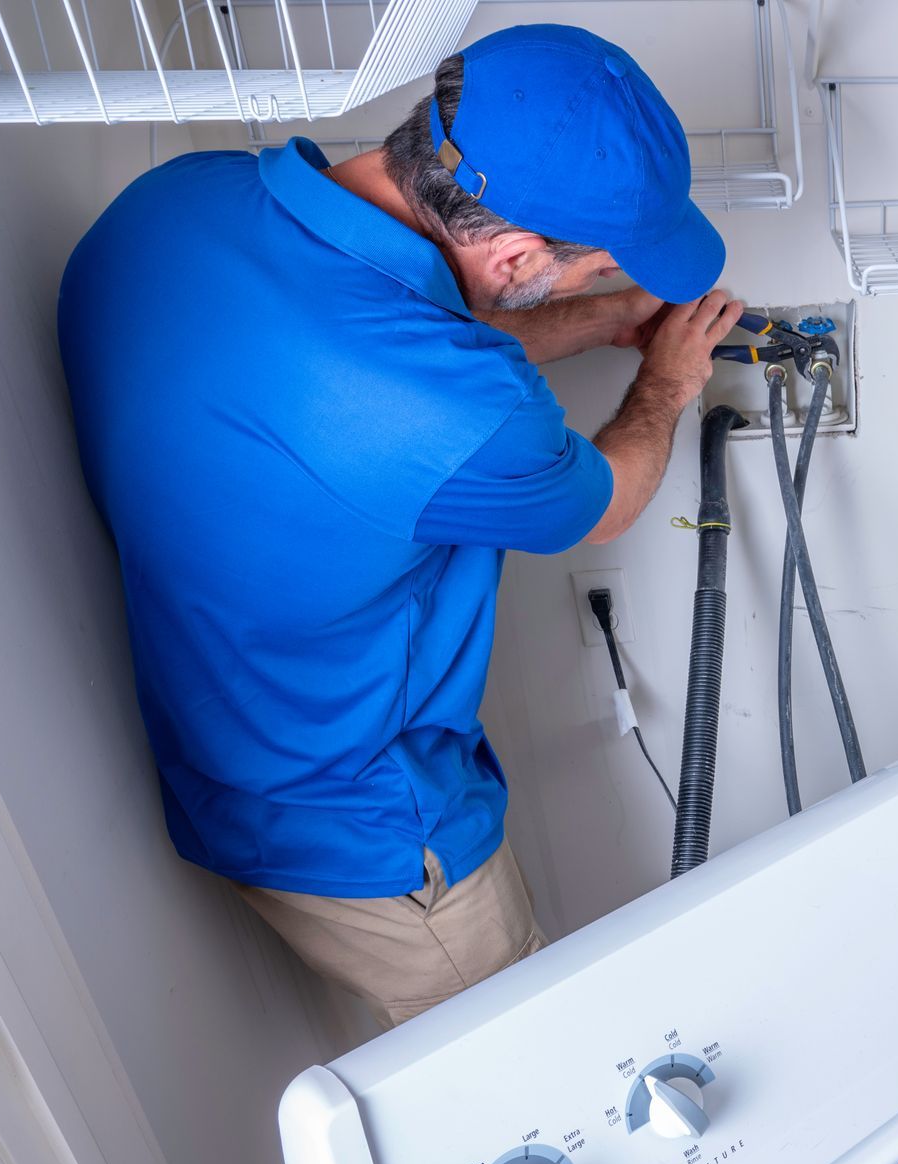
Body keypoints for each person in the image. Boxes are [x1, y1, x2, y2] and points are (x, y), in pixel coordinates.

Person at [57, 25, 742, 1027]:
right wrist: (668, 383)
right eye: (595, 269)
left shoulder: (170, 205)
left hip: (232, 750)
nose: (597, 283)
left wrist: (595, 318)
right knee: (536, 1090)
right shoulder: (470, 414)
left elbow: (394, 332)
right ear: (511, 253)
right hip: (378, 835)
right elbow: (608, 497)